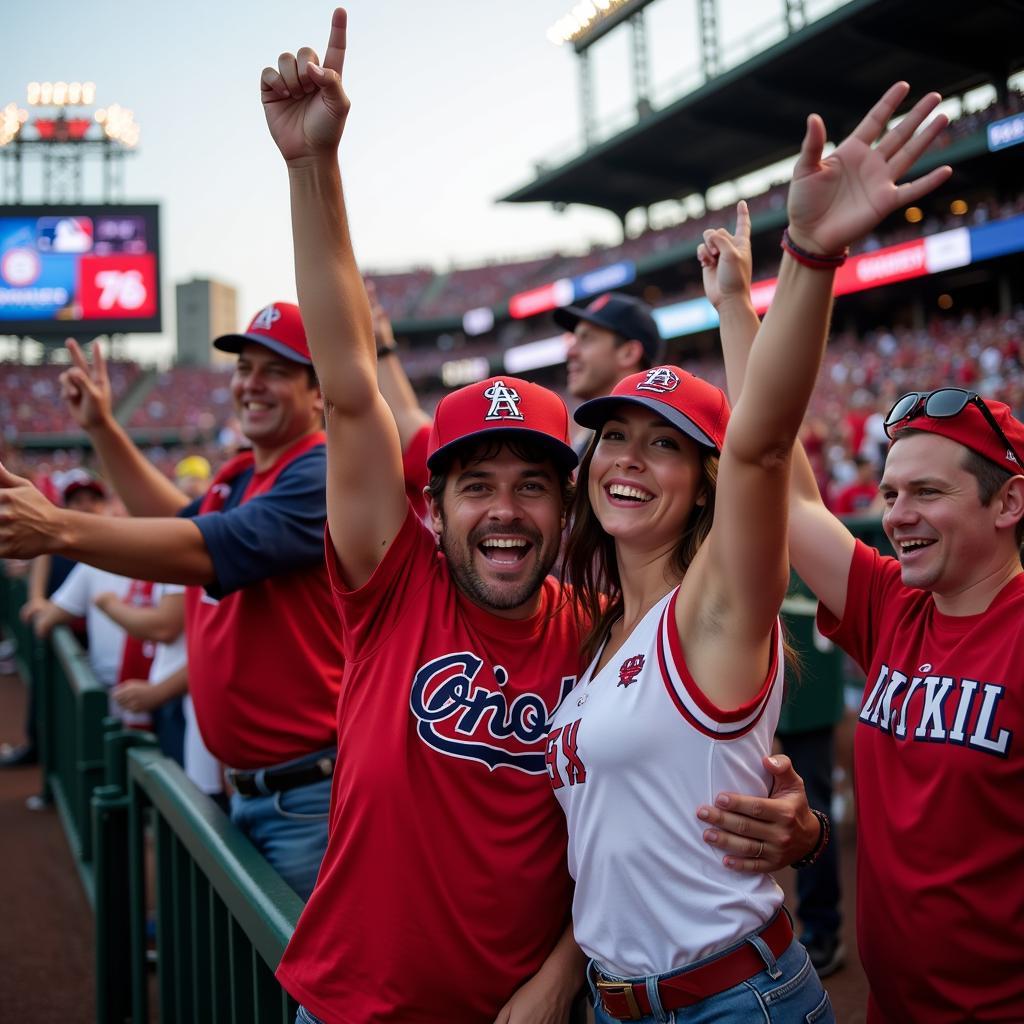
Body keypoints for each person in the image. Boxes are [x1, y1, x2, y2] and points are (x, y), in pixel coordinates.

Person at [547, 83, 951, 1024]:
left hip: (733, 1003)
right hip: (620, 1005)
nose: (628, 460)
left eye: (663, 446)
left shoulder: (713, 606)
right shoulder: (602, 632)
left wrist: (807, 260)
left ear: (704, 483)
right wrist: (731, 304)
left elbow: (765, 448)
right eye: (613, 438)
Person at [261, 13, 584, 1021]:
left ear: (565, 507)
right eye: (473, 484)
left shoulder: (598, 634)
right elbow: (351, 386)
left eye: (531, 483)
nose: (503, 510)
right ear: (430, 510)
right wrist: (316, 167)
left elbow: (629, 844)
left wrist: (553, 986)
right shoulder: (389, 584)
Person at [693, 94, 1022, 1021]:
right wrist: (739, 307)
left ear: (1008, 502)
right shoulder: (891, 604)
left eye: (926, 493)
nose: (895, 515)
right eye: (886, 494)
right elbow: (783, 484)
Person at [0, 303, 343, 900]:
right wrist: (104, 427)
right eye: (243, 367)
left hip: (307, 795)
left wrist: (59, 528)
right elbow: (173, 518)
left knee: (300, 986)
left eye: (276, 370)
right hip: (254, 786)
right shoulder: (240, 473)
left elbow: (206, 548)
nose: (251, 384)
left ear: (319, 394)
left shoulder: (321, 472)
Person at [554, 292, 661, 451]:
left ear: (628, 353)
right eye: (574, 340)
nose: (570, 352)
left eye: (586, 338)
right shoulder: (592, 436)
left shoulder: (644, 447)